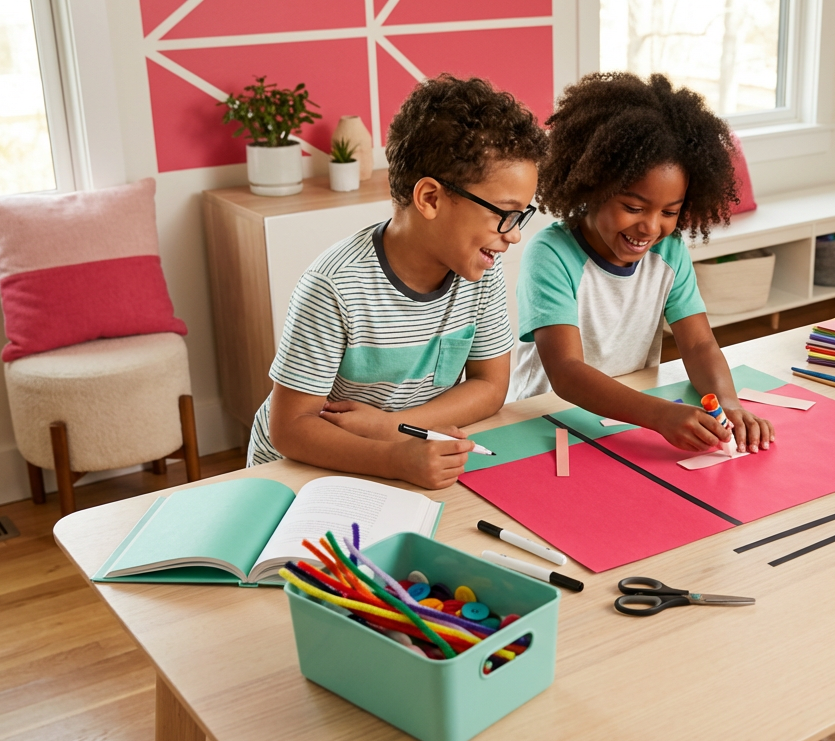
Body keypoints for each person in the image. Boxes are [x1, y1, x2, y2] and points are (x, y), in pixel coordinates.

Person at [247, 75, 547, 488]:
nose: (513, 236)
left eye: (520, 217)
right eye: (504, 214)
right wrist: (394, 457)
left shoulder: (480, 272)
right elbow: (291, 428)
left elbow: (491, 386)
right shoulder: (334, 285)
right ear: (430, 199)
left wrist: (394, 428)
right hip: (300, 471)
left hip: (400, 453)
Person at [512, 72, 774, 453]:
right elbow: (566, 373)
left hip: (624, 420)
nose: (650, 227)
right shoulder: (550, 255)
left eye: (669, 212)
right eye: (633, 207)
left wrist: (729, 404)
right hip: (546, 422)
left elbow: (699, 344)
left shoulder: (669, 252)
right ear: (593, 185)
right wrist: (661, 416)